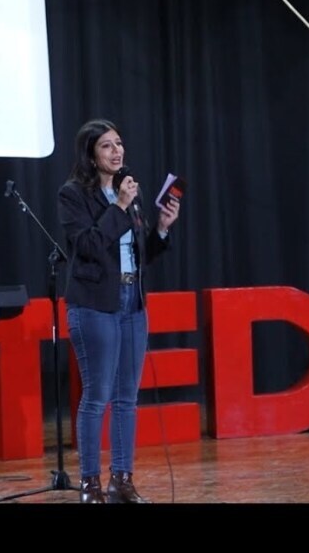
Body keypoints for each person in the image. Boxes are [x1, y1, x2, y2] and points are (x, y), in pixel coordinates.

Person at [57, 118, 181, 503]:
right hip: (95, 304)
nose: (117, 151)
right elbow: (88, 247)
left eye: (119, 144)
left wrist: (161, 229)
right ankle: (90, 484)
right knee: (98, 395)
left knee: (127, 396)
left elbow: (140, 253)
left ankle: (122, 481)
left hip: (132, 302)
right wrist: (121, 206)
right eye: (107, 146)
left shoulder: (129, 189)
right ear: (91, 154)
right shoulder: (73, 195)